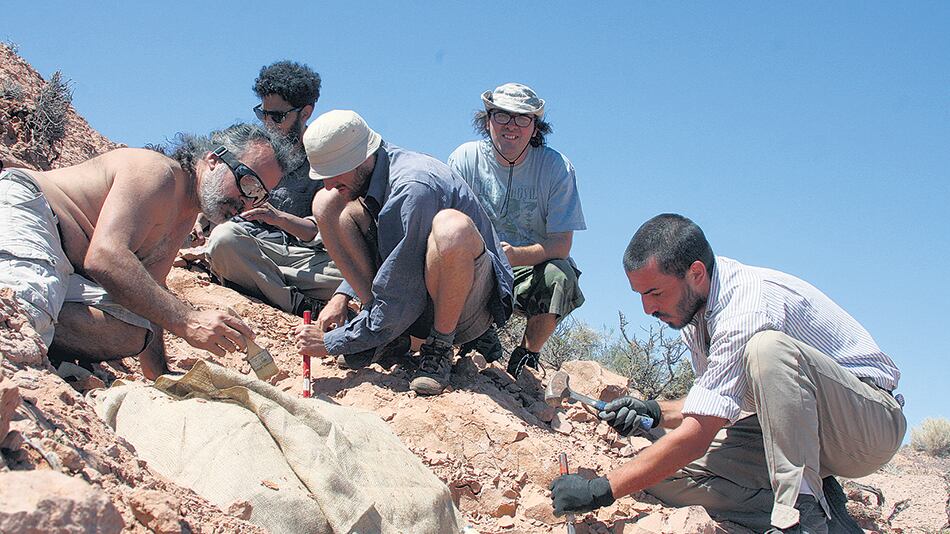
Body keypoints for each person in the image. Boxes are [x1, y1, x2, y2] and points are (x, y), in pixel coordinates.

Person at [550, 214, 905, 533]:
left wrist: (600, 490)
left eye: (655, 292)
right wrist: (654, 411)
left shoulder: (746, 307)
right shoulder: (695, 313)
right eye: (640, 294)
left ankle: (800, 516)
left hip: (866, 427)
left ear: (696, 272)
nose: (648, 308)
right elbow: (715, 402)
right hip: (799, 433)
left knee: (768, 350)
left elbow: (700, 432)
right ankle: (821, 511)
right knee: (665, 475)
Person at [0, 123, 291, 379]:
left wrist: (160, 374)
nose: (248, 202)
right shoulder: (158, 172)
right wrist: (187, 319)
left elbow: (151, 291)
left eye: (260, 196)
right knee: (23, 314)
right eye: (248, 183)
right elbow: (104, 257)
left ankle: (42, 339)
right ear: (214, 159)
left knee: (133, 332)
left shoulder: (186, 213)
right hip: (32, 210)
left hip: (64, 265)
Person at [293, 110, 514, 395]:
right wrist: (342, 295)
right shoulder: (375, 170)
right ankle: (388, 334)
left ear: (361, 159)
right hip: (416, 291)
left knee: (451, 229)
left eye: (333, 173)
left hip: (467, 306)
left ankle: (439, 347)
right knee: (326, 203)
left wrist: (333, 342)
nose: (327, 182)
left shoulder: (412, 186)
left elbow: (402, 293)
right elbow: (395, 257)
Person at [448, 83, 586, 378]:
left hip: (527, 268)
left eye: (522, 118)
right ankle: (465, 335)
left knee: (560, 275)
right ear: (487, 121)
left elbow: (561, 245)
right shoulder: (465, 159)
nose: (512, 126)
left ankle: (526, 355)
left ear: (535, 128)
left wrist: (515, 256)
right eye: (502, 116)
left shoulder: (557, 168)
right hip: (476, 265)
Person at [205, 61, 343, 316]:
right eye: (263, 114)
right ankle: (299, 305)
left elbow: (320, 231)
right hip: (249, 247)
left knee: (350, 275)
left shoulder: (325, 159)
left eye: (277, 116)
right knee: (224, 241)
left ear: (306, 113)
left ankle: (260, 285)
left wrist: (278, 218)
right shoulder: (252, 150)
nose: (268, 123)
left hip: (303, 258)